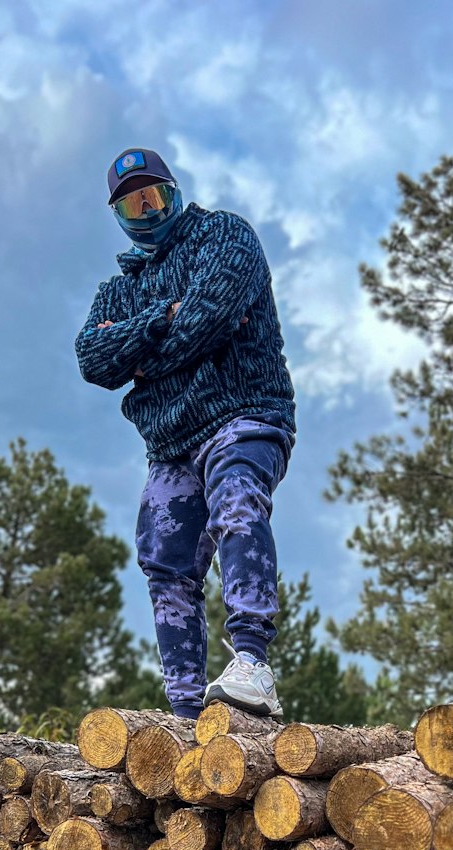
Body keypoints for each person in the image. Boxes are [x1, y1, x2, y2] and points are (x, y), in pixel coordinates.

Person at [74, 147, 295, 720]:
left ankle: (252, 664)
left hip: (243, 414)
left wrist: (141, 360)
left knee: (237, 505)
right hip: (169, 445)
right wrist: (158, 321)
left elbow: (207, 322)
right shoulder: (116, 291)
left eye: (155, 196)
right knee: (163, 561)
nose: (148, 210)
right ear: (119, 215)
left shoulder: (224, 237)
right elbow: (92, 360)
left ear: (175, 192)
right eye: (133, 203)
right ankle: (185, 710)